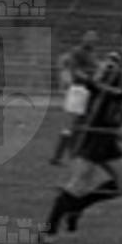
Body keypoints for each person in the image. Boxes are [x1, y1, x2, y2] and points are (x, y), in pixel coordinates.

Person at [42, 19, 122, 244]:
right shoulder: (113, 63)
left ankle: (77, 207)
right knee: (79, 182)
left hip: (109, 133)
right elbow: (93, 85)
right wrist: (121, 95)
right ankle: (48, 232)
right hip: (93, 129)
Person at [50, 30, 101, 165]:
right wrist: (89, 79)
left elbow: (94, 69)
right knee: (70, 125)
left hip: (87, 91)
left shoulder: (91, 54)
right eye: (89, 37)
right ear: (84, 38)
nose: (92, 40)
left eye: (94, 38)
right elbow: (75, 70)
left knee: (80, 125)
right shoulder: (77, 52)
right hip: (78, 90)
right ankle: (58, 156)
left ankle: (73, 154)